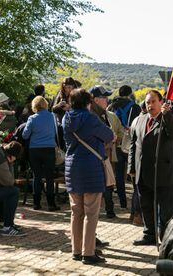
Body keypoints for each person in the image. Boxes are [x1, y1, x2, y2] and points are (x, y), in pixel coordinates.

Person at [62, 88, 114, 264]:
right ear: (88, 103)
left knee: (76, 212)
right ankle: (88, 252)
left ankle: (76, 250)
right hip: (91, 167)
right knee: (91, 213)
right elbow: (110, 135)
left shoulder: (65, 118)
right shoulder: (91, 118)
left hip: (72, 167)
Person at [128, 90, 173, 245]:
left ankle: (165, 239)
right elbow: (133, 144)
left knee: (165, 211)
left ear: (161, 102)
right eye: (147, 102)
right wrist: (131, 167)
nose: (150, 105)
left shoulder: (168, 119)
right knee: (146, 207)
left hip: (162, 174)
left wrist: (168, 116)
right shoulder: (139, 120)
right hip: (142, 173)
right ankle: (149, 234)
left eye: (153, 102)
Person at [89, 85, 124, 218]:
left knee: (108, 183)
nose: (107, 100)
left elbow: (118, 133)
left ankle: (109, 210)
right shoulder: (92, 116)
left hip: (106, 155)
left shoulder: (106, 114)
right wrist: (112, 138)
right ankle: (102, 213)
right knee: (100, 186)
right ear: (96, 100)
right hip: (97, 156)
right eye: (104, 98)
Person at [107, 85, 141, 209]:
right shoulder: (135, 107)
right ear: (130, 93)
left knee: (119, 175)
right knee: (133, 174)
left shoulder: (110, 106)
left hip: (115, 143)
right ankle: (134, 204)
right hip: (131, 144)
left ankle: (122, 202)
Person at [22, 96, 59, 211]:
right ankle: (51, 204)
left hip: (35, 150)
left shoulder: (32, 118)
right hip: (49, 149)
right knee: (49, 177)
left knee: (37, 177)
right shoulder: (52, 117)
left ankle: (36, 203)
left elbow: (25, 135)